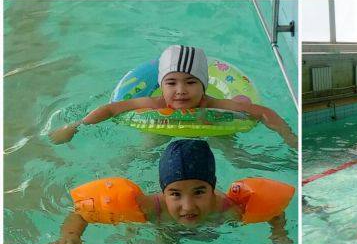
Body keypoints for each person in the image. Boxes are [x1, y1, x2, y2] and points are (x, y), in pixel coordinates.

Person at [48, 139, 292, 244]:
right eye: (175, 194)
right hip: (166, 228)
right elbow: (82, 212)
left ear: (213, 187)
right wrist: (70, 236)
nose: (188, 206)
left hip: (211, 230)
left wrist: (278, 232)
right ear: (163, 192)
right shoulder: (150, 208)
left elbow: (273, 211)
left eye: (199, 192)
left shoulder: (229, 208)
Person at [49, 44, 297, 148]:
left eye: (191, 82)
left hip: (213, 127)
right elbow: (111, 108)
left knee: (237, 157)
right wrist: (75, 126)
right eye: (171, 83)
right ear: (161, 85)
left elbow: (261, 112)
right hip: (161, 126)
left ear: (204, 85)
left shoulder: (213, 103)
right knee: (143, 151)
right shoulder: (154, 103)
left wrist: (287, 135)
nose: (180, 90)